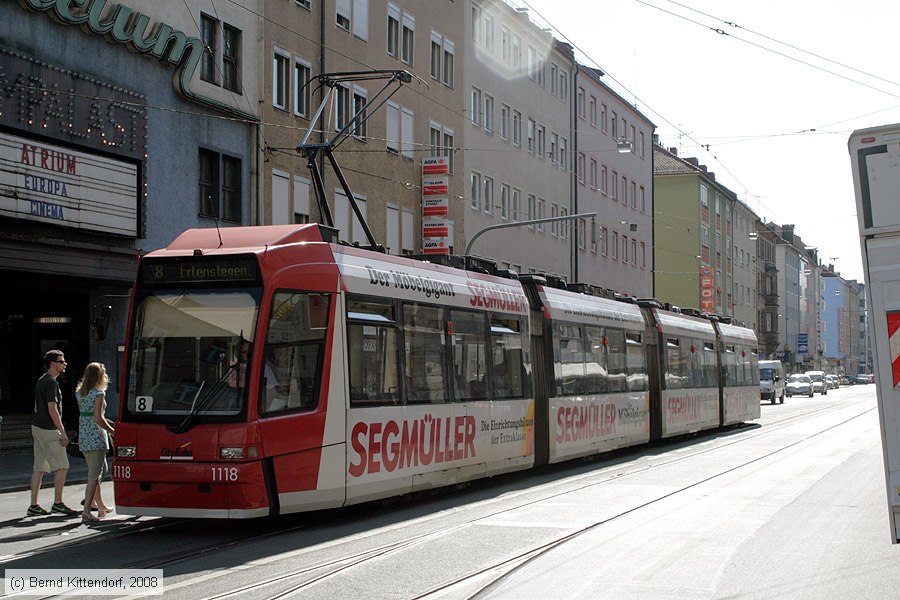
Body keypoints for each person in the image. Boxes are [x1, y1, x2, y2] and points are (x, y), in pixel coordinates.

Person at [28, 349, 78, 517]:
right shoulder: (51, 383)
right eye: (61, 361)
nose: (65, 364)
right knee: (62, 466)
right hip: (48, 429)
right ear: (52, 364)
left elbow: (36, 407)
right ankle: (58, 503)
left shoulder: (42, 380)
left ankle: (33, 505)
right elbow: (52, 409)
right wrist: (62, 432)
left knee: (39, 467)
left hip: (37, 427)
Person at [75, 362, 115, 523]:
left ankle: (101, 506)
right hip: (96, 436)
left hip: (84, 435)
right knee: (94, 475)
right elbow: (99, 418)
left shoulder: (80, 393)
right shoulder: (98, 394)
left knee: (97, 470)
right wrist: (113, 431)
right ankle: (87, 511)